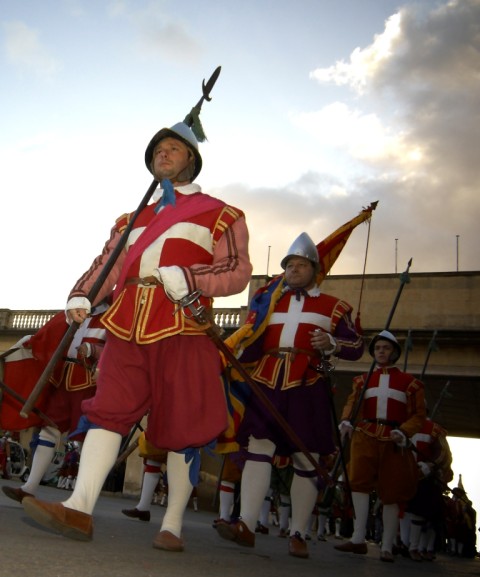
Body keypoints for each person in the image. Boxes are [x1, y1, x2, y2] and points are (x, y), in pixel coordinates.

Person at [21, 118, 252, 553]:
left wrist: (190, 276)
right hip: (126, 323)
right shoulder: (131, 219)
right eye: (157, 150)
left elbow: (237, 270)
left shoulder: (223, 213)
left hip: (183, 324)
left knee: (184, 425)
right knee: (107, 411)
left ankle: (174, 522)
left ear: (192, 160)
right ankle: (80, 506)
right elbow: (105, 264)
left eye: (172, 149)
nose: (162, 154)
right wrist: (82, 293)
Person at [217, 232, 364, 558]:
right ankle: (246, 525)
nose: (293, 270)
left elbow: (356, 345)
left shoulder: (335, 307)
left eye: (300, 265)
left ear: (314, 268)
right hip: (267, 379)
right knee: (258, 447)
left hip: (307, 383)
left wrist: (333, 344)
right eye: (289, 265)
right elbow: (251, 339)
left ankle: (297, 532)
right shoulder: (271, 302)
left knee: (305, 456)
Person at [334, 330, 426, 562]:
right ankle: (357, 539)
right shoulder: (362, 380)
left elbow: (418, 416)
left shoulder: (411, 384)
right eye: (377, 348)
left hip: (393, 438)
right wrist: (346, 421)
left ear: (394, 352)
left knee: (391, 491)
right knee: (358, 484)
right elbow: (352, 404)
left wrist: (404, 432)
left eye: (385, 348)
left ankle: (387, 545)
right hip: (365, 434)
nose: (381, 352)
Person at [2, 305, 108, 502]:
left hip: (87, 381)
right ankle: (30, 486)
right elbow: (49, 335)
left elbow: (119, 349)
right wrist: (31, 342)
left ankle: (82, 498)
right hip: (61, 378)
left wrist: (94, 350)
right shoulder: (74, 311)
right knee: (49, 429)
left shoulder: (113, 315)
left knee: (86, 438)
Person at [399, 415, 453, 561]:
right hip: (404, 473)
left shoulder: (434, 429)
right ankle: (405, 544)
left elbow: (443, 454)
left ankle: (414, 547)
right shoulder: (401, 425)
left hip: (425, 478)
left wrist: (430, 465)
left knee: (420, 513)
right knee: (403, 510)